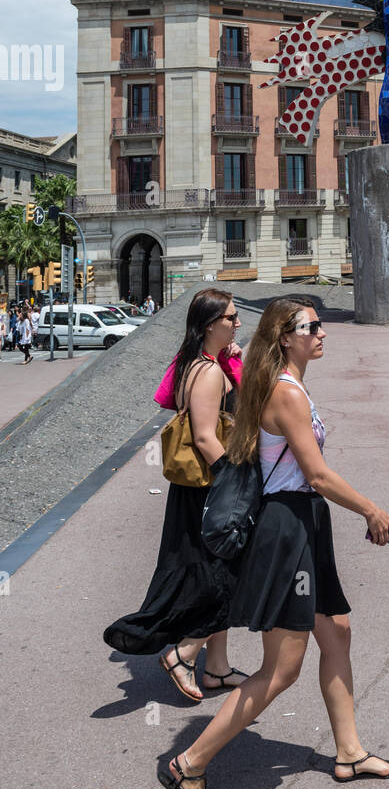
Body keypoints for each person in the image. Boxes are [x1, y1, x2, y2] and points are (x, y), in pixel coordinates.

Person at [157, 296, 389, 789]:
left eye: (319, 325)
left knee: (337, 632)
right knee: (282, 669)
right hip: (287, 529)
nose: (321, 332)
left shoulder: (285, 385)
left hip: (306, 522)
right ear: (284, 337)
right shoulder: (285, 393)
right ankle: (190, 763)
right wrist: (371, 511)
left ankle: (350, 753)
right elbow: (314, 474)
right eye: (310, 326)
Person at [104, 288, 248, 701]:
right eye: (231, 318)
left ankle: (217, 668)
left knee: (212, 569)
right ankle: (183, 655)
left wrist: (232, 358)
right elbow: (205, 436)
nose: (237, 323)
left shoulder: (197, 363)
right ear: (209, 325)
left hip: (193, 487)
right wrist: (233, 482)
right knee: (221, 575)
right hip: (209, 485)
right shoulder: (207, 373)